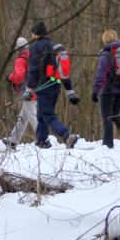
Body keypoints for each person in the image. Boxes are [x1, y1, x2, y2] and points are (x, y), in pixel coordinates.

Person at [26, 21, 79, 149]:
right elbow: (61, 70)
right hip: (55, 85)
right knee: (42, 114)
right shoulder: (52, 46)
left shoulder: (36, 47)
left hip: (43, 86)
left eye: (32, 33)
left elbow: (34, 70)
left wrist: (29, 88)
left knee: (47, 114)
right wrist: (69, 89)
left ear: (36, 34)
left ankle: (67, 135)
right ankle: (42, 140)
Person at [91, 29, 120, 148]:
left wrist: (95, 91)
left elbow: (101, 74)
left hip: (107, 90)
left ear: (105, 39)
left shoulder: (106, 53)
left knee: (107, 117)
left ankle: (107, 145)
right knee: (116, 114)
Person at [3, 37, 35, 148]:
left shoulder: (21, 60)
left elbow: (18, 77)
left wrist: (9, 77)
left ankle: (43, 139)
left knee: (32, 115)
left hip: (26, 90)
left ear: (17, 49)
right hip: (36, 88)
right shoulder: (32, 56)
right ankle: (13, 140)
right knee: (24, 116)